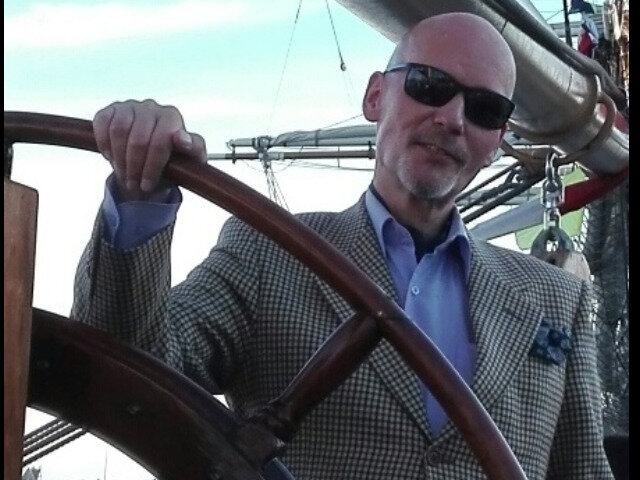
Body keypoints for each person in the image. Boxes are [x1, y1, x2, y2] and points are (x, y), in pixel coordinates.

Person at [72, 12, 614, 480]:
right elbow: (131, 374)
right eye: (429, 84)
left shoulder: (556, 298)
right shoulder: (268, 251)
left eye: (485, 109)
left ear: (498, 140)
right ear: (375, 97)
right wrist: (140, 197)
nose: (452, 119)